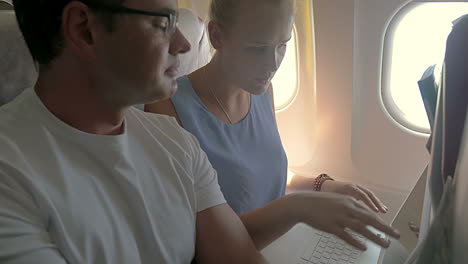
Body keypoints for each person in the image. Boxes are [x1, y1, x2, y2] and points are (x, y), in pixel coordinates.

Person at [0, 0, 270, 263]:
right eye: (164, 23)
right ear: (84, 29)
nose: (184, 44)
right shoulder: (10, 173)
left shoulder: (174, 141)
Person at [146, 0, 400, 251]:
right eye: (257, 48)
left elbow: (261, 174)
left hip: (282, 242)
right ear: (216, 36)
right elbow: (199, 242)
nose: (273, 63)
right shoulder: (166, 111)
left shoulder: (261, 91)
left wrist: (323, 186)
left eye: (282, 45)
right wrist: (298, 207)